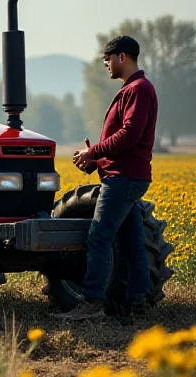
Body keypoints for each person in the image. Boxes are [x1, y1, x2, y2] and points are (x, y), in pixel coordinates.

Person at [56, 35, 159, 322]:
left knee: (99, 237)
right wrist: (95, 159)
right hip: (125, 175)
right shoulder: (136, 88)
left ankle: (91, 303)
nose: (105, 63)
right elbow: (126, 142)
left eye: (107, 58)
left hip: (123, 179)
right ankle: (138, 303)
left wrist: (94, 150)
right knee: (132, 242)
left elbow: (129, 135)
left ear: (122, 57)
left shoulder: (137, 90)